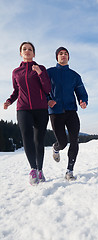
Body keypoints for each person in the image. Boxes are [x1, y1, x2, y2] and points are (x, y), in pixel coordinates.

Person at [3, 42, 51, 185]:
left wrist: (40, 73)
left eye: (30, 49)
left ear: (34, 54)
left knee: (39, 141)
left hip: (41, 109)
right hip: (23, 108)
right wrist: (9, 101)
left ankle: (40, 170)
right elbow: (16, 91)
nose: (27, 51)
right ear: (20, 53)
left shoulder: (41, 68)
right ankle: (33, 169)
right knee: (26, 138)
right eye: (24, 49)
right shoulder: (16, 72)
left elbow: (47, 89)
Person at [47, 47, 88, 181]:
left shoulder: (75, 75)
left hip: (71, 111)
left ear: (68, 57)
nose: (63, 55)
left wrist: (83, 100)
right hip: (55, 112)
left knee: (74, 140)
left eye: (66, 54)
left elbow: (81, 91)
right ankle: (56, 147)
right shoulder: (49, 73)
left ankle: (69, 171)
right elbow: (42, 89)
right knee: (63, 143)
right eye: (60, 53)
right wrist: (48, 100)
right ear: (57, 57)